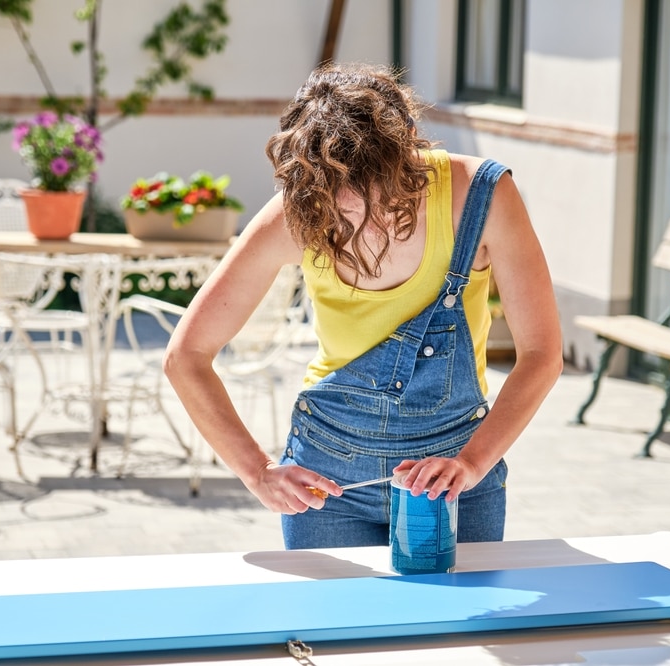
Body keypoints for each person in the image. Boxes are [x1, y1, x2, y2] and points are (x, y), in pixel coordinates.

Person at [164, 62, 562, 549]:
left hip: (457, 478)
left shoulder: (481, 197)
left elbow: (542, 352)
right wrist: (258, 471)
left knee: (456, 627)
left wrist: (473, 462)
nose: (361, 214)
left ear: (410, 148)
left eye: (379, 190)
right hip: (325, 480)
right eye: (339, 198)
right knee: (334, 626)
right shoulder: (298, 213)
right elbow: (186, 356)